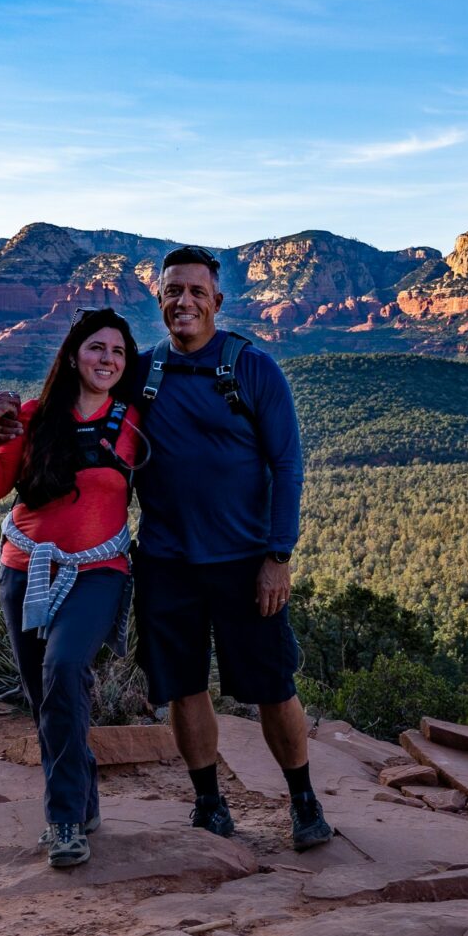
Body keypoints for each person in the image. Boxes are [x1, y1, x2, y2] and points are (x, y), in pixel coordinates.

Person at [132, 245, 331, 852]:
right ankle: (209, 805)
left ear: (217, 301)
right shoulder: (141, 373)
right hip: (166, 562)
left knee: (272, 686)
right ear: (159, 299)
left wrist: (279, 555)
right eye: (173, 291)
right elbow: (78, 412)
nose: (184, 301)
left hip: (246, 563)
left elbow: (287, 465)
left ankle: (302, 800)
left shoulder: (254, 368)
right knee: (184, 685)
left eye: (196, 291)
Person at [0, 309, 143, 869]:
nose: (107, 361)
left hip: (98, 571)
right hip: (25, 568)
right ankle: (82, 790)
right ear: (74, 355)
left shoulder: (134, 420)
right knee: (46, 697)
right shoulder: (35, 417)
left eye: (117, 353)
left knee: (64, 669)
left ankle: (64, 819)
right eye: (97, 349)